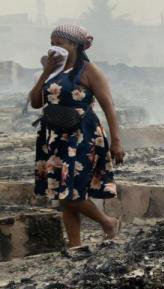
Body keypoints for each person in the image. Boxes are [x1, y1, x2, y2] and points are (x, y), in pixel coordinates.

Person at [30, 24, 124, 247]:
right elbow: (35, 102)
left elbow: (108, 105)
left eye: (59, 43)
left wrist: (116, 141)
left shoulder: (89, 71)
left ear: (74, 45)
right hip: (53, 137)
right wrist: (46, 71)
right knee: (63, 195)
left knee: (72, 192)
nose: (55, 48)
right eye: (52, 43)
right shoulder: (51, 71)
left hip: (82, 135)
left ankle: (107, 222)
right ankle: (75, 246)